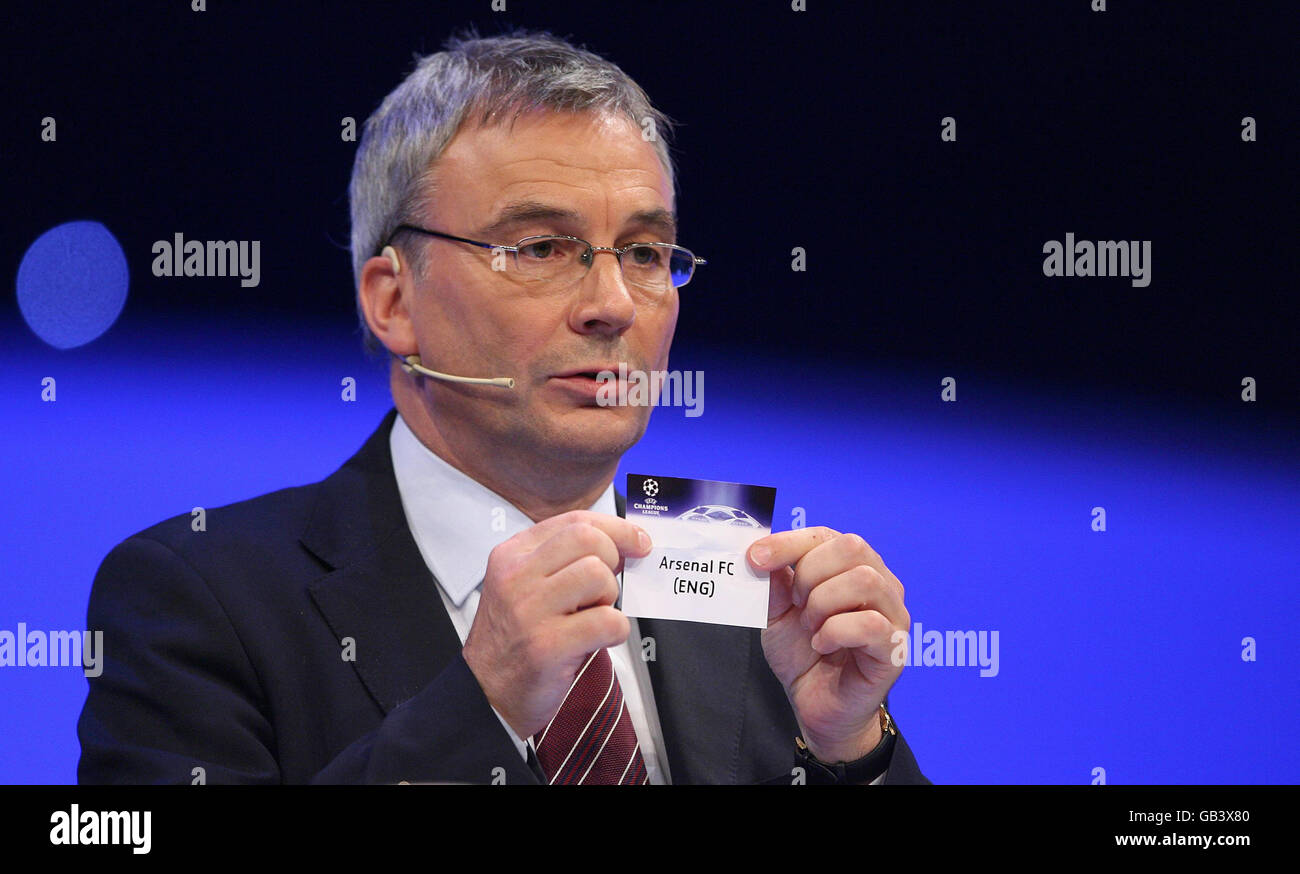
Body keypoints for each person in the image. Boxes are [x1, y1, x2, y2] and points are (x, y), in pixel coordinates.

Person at [78, 29, 928, 785]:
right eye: (542, 247)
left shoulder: (739, 599)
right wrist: (480, 704)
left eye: (643, 251)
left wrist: (849, 750)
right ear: (394, 302)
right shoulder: (199, 601)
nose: (613, 304)